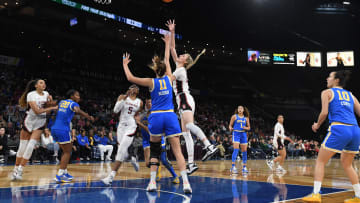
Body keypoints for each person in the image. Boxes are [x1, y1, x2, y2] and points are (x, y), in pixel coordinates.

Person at [115, 33, 191, 193]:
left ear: (156, 70)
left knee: (154, 151)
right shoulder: (170, 78)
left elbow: (130, 78)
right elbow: (167, 59)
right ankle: (186, 183)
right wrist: (168, 43)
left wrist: (124, 64)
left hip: (155, 117)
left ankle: (152, 183)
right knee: (177, 152)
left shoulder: (151, 82)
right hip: (170, 116)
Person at [166, 20, 218, 174]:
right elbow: (173, 48)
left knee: (188, 127)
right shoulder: (179, 67)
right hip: (183, 99)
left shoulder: (180, 71)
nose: (179, 55)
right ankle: (191, 164)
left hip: (184, 98)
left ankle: (209, 145)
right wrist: (172, 31)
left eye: (182, 55)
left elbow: (168, 80)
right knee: (186, 134)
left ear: (185, 61)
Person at [302, 71, 360, 202]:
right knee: (347, 164)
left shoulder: (327, 92)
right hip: (355, 130)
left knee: (321, 161)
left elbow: (324, 113)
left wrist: (317, 125)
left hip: (340, 128)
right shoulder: (350, 95)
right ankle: (358, 196)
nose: (327, 78)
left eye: (330, 76)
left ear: (337, 80)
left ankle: (316, 194)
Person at [11, 79, 58, 181]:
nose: (43, 84)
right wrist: (52, 108)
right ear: (36, 85)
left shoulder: (46, 94)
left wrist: (50, 102)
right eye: (41, 83)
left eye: (44, 83)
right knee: (22, 147)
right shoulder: (31, 95)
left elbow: (47, 112)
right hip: (29, 121)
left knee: (31, 145)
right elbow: (36, 111)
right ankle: (15, 168)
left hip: (40, 122)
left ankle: (20, 170)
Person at [101, 85, 143, 184]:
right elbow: (115, 110)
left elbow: (137, 114)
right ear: (129, 89)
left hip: (131, 126)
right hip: (121, 127)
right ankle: (132, 158)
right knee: (123, 151)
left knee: (120, 151)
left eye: (136, 88)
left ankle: (110, 177)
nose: (134, 89)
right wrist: (124, 98)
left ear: (138, 91)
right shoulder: (122, 97)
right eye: (132, 87)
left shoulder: (139, 102)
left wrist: (138, 119)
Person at [51, 89, 94, 183]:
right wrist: (88, 117)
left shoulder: (62, 102)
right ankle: (59, 175)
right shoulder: (74, 104)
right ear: (72, 96)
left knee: (64, 151)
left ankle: (65, 172)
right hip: (63, 129)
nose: (79, 97)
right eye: (77, 95)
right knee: (67, 152)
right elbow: (77, 110)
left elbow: (56, 109)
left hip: (54, 128)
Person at [136, 98, 180, 184]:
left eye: (150, 102)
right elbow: (140, 127)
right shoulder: (143, 115)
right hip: (146, 141)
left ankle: (175, 176)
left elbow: (150, 131)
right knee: (148, 163)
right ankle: (157, 169)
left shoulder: (155, 115)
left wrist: (139, 123)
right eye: (147, 102)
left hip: (157, 139)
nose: (148, 104)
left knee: (164, 160)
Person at [229, 105, 251, 174]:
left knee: (244, 151)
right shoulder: (234, 116)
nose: (240, 109)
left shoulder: (246, 118)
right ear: (237, 110)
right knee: (236, 149)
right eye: (239, 108)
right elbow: (230, 125)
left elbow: (249, 127)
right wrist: (230, 128)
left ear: (243, 110)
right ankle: (233, 166)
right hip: (236, 133)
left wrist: (246, 128)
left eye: (241, 108)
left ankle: (244, 167)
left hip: (243, 134)